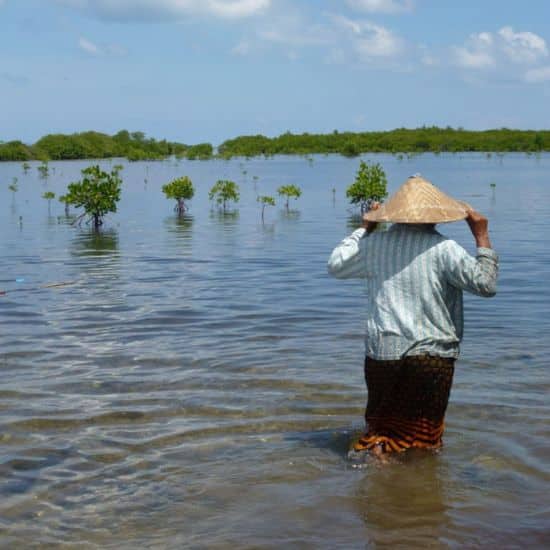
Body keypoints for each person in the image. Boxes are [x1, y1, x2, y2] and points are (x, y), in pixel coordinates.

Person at [327, 175, 499, 456]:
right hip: (431, 357)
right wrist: (480, 235)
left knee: (380, 431)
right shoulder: (446, 249)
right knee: (424, 440)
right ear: (437, 217)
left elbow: (335, 265)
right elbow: (486, 284)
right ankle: (417, 489)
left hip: (382, 355)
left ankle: (377, 477)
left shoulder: (374, 245)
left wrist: (364, 229)